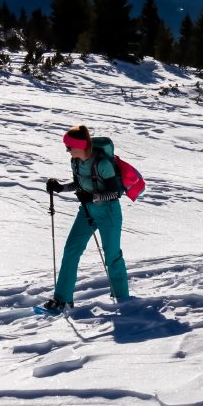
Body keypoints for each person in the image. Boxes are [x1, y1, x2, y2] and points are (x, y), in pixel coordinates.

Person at [42, 124, 130, 311]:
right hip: (87, 210)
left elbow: (115, 193)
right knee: (71, 250)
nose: (67, 150)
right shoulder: (76, 162)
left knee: (112, 255)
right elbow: (78, 184)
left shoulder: (103, 164)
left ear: (81, 146)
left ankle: (123, 299)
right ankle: (63, 299)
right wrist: (60, 188)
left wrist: (93, 197)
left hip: (109, 212)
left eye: (69, 146)